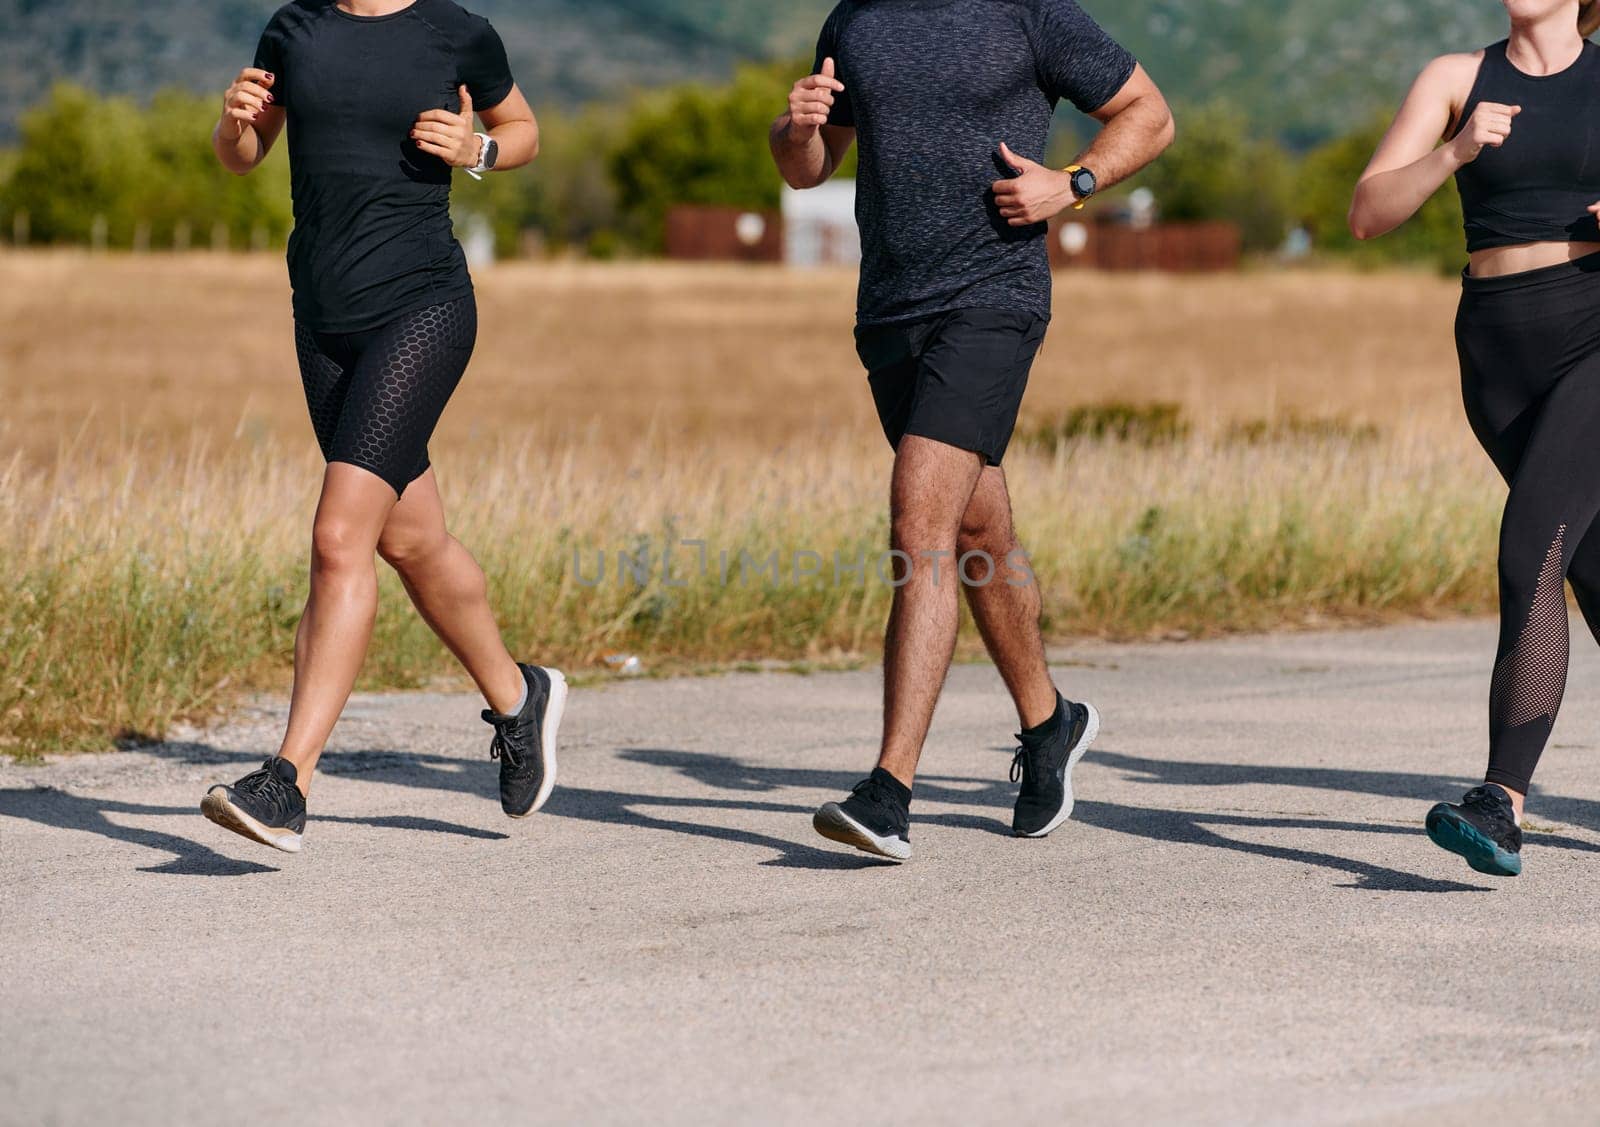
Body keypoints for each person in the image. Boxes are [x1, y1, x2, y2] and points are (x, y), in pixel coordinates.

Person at [771, 0, 1173, 862]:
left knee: (920, 525)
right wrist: (796, 128)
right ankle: (1049, 720)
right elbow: (809, 171)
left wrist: (1073, 184)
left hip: (993, 300)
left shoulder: (1029, 13)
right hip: (889, 311)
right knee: (977, 526)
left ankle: (888, 790)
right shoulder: (855, 19)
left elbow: (1150, 113)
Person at [199, 0, 564, 853]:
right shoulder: (292, 30)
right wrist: (232, 125)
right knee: (412, 539)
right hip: (322, 317)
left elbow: (523, 131)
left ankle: (287, 781)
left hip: (422, 306)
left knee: (338, 537)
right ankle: (521, 697)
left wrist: (476, 150)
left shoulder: (455, 31)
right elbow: (244, 157)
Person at [1351, 0, 1600, 876]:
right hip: (1496, 351)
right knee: (1592, 569)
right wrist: (1453, 152)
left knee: (1531, 542)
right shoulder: (1456, 78)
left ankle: (1502, 801)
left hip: (1595, 329)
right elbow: (1368, 211)